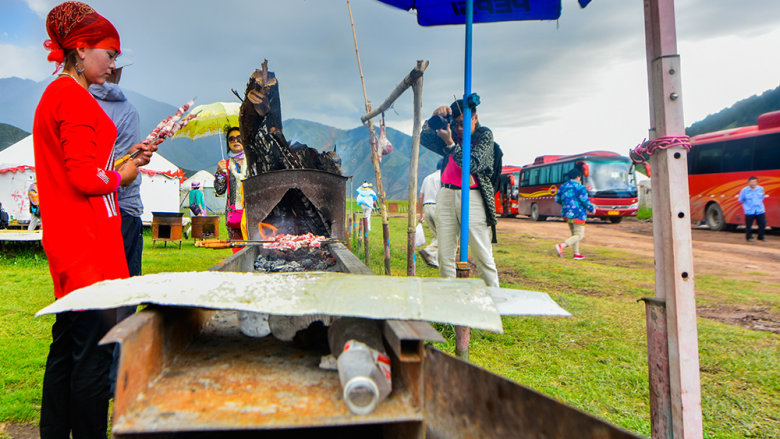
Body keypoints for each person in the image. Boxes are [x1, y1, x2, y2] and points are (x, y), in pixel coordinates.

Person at [32, 3, 144, 437]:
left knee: (67, 346)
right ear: (80, 50)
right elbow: (84, 176)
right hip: (88, 244)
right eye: (109, 53)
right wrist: (123, 174)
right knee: (93, 354)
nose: (114, 63)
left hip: (72, 239)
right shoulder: (73, 98)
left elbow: (77, 162)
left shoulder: (57, 95)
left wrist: (120, 162)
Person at [420, 99, 499, 288]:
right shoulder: (452, 133)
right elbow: (425, 138)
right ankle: (450, 301)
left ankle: (495, 299)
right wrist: (433, 119)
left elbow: (471, 164)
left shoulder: (484, 135)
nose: (460, 128)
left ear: (475, 118)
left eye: (464, 123)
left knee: (482, 252)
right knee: (445, 253)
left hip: (472, 195)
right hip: (446, 193)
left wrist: (450, 143)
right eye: (456, 124)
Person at [215, 126, 248, 249]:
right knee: (238, 248)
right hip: (234, 214)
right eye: (231, 139)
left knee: (254, 248)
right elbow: (219, 189)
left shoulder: (253, 162)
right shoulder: (225, 165)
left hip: (252, 213)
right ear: (228, 143)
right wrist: (220, 172)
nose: (235, 141)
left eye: (239, 138)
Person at [554, 169, 595, 260]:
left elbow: (557, 199)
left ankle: (576, 253)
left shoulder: (563, 186)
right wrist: (591, 209)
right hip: (578, 214)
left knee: (574, 234)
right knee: (579, 235)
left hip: (566, 214)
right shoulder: (580, 187)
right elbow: (584, 200)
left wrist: (566, 205)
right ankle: (562, 245)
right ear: (578, 177)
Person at [417, 169, 441, 267]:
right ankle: (429, 251)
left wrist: (421, 214)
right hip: (438, 206)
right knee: (443, 236)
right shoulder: (443, 177)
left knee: (436, 235)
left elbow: (421, 196)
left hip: (427, 206)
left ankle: (434, 260)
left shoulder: (427, 178)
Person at [738, 176, 766, 242]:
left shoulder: (760, 189)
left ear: (757, 182)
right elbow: (741, 200)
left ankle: (761, 237)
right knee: (749, 225)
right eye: (752, 182)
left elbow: (762, 197)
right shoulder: (744, 190)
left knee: (762, 224)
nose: (753, 183)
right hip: (749, 211)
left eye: (755, 182)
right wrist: (747, 206)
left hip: (760, 210)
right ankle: (748, 237)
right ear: (749, 183)